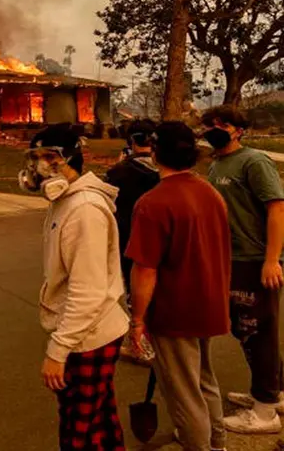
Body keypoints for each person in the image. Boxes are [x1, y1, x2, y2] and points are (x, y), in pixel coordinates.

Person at [20, 123, 129, 451]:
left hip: (89, 336)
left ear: (72, 158)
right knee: (100, 418)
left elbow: (88, 290)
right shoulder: (65, 200)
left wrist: (58, 349)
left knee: (77, 429)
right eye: (36, 156)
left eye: (50, 156)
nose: (41, 165)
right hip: (87, 331)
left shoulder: (83, 210)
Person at [125, 122, 231, 451]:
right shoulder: (210, 192)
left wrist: (137, 319)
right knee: (203, 379)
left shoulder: (153, 203)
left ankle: (199, 446)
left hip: (174, 310)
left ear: (155, 153)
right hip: (209, 302)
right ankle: (218, 442)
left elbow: (144, 270)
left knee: (184, 394)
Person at [203, 105, 284, 434]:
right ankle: (271, 394)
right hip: (230, 260)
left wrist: (271, 259)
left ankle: (265, 414)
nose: (214, 129)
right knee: (247, 331)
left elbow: (277, 210)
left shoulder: (254, 161)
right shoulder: (217, 163)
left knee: (257, 331)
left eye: (222, 124)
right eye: (209, 124)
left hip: (254, 260)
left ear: (238, 129)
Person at [104, 118, 160, 364]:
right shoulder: (164, 170)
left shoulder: (119, 172)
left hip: (129, 239)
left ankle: (142, 345)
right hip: (163, 239)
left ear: (131, 141)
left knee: (136, 292)